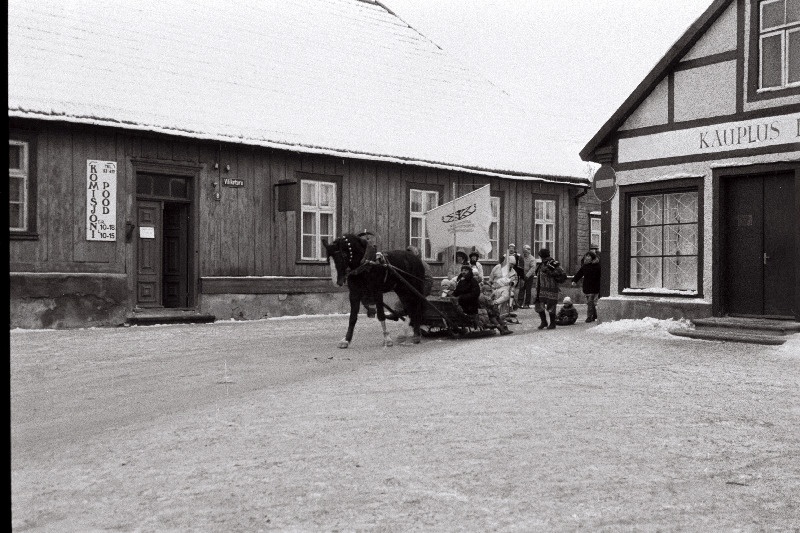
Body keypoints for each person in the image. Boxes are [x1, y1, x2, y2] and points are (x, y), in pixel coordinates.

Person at [533, 248, 566, 330]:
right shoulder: (541, 264)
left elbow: (562, 274)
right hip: (540, 288)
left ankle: (552, 323)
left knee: (551, 305)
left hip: (551, 288)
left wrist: (549, 272)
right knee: (539, 305)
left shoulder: (553, 263)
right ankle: (544, 322)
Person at [572, 250, 601, 322]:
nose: (587, 257)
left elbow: (601, 276)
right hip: (587, 286)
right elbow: (579, 274)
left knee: (590, 302)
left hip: (595, 286)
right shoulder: (585, 266)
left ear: (592, 257)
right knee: (590, 302)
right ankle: (594, 315)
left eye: (589, 256)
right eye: (586, 256)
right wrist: (574, 280)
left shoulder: (597, 266)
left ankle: (589, 317)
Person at [489, 253, 518, 318]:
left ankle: (499, 308)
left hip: (506, 288)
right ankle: (498, 310)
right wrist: (490, 285)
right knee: (505, 296)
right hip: (495, 287)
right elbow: (491, 277)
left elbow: (515, 280)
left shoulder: (513, 272)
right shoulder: (497, 267)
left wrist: (513, 283)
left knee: (509, 295)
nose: (512, 266)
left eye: (513, 265)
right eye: (511, 264)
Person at [518, 244, 537, 309]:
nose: (525, 253)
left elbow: (533, 268)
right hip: (522, 276)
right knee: (521, 289)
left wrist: (527, 275)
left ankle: (527, 304)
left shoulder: (532, 259)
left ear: (529, 251)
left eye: (526, 252)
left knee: (528, 290)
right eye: (524, 252)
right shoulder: (522, 257)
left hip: (529, 276)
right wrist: (521, 275)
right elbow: (520, 266)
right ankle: (519, 303)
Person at [507, 243, 524, 308]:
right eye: (510, 248)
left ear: (514, 249)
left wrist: (521, 277)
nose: (511, 249)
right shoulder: (505, 256)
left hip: (515, 275)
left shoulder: (518, 256)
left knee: (513, 289)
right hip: (506, 274)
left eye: (512, 248)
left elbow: (520, 268)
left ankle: (512, 304)